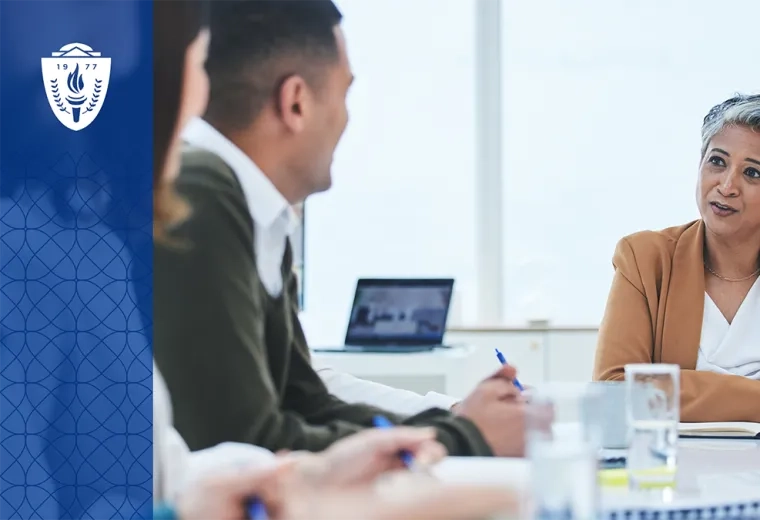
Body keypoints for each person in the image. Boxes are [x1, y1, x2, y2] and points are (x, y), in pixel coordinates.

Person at [151, 1, 518, 519]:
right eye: (345, 93)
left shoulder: (255, 205)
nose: (347, 118)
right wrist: (467, 437)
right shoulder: (204, 190)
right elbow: (246, 439)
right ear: (296, 102)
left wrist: (448, 426)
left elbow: (304, 398)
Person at [594, 93, 760, 423]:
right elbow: (614, 393)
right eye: (717, 161)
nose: (727, 186)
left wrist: (669, 388)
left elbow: (644, 392)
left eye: (753, 173)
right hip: (672, 467)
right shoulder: (645, 258)